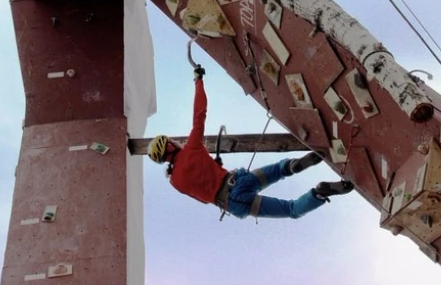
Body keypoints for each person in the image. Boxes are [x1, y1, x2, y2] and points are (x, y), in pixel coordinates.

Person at [147, 65, 354, 220]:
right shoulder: (191, 147)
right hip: (237, 181)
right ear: (171, 144)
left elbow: (203, 198)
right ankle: (294, 165)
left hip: (233, 203)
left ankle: (318, 193)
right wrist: (198, 80)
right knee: (281, 170)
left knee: (290, 209)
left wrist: (212, 178)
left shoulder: (176, 182)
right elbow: (199, 113)